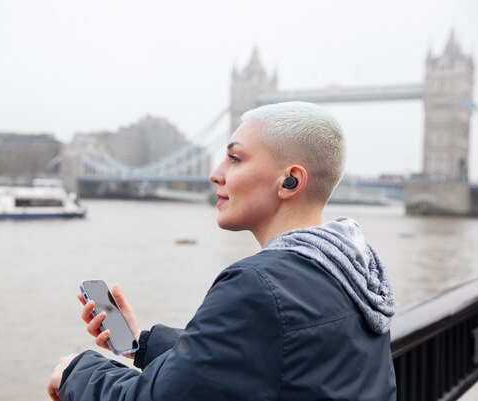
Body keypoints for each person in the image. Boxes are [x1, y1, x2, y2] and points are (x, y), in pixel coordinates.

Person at [47, 101, 397, 401]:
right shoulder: (352, 273)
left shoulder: (258, 286)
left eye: (235, 159)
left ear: (290, 180)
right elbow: (269, 357)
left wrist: (76, 371)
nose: (216, 174)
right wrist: (141, 344)